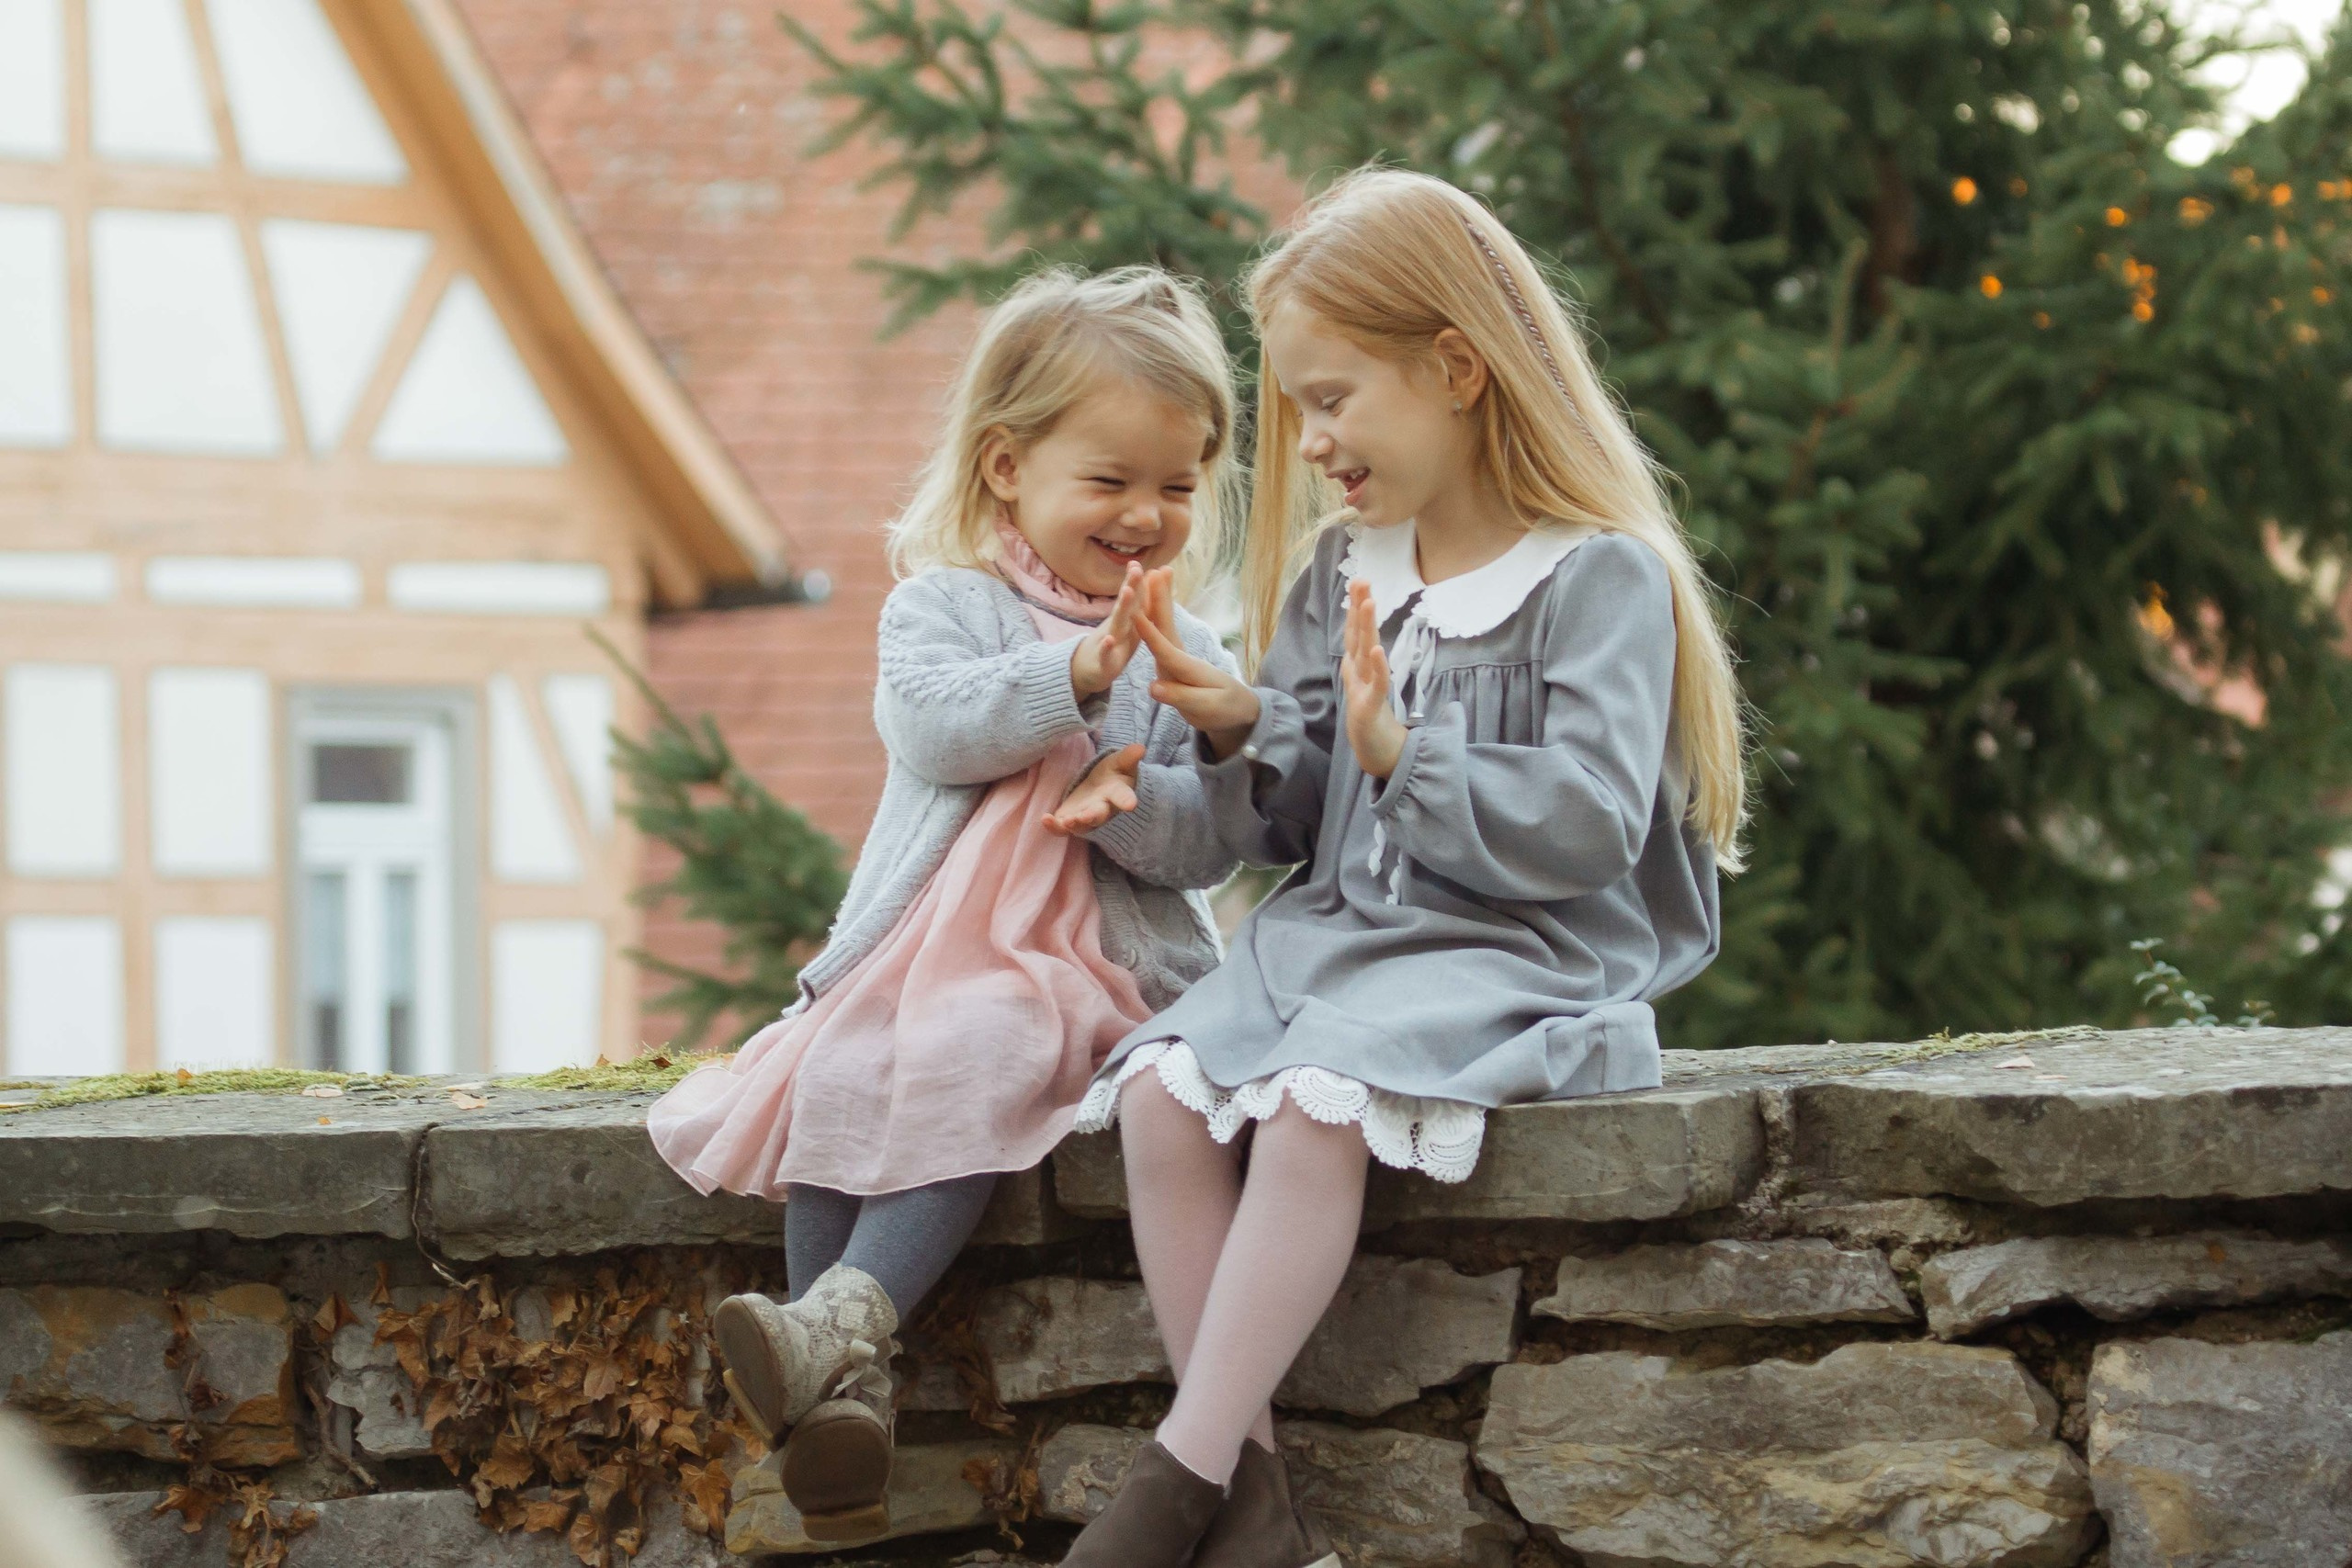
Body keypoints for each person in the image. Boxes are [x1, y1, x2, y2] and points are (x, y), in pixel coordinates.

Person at [1057, 167, 1749, 1568]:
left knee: (1317, 1111)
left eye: (1331, 397)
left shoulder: (1594, 576)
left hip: (1515, 954)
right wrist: (1250, 725)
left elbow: (1591, 822)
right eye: (1298, 406)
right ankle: (1254, 1517)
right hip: (1340, 939)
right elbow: (1290, 826)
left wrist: (1405, 750)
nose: (1308, 440)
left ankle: (1172, 1487)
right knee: (1164, 1100)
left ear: (1455, 368)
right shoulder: (1344, 573)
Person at [647, 266, 1243, 1542]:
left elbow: (1210, 849)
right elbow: (937, 726)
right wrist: (1075, 673)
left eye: (1179, 485)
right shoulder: (941, 607)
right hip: (920, 949)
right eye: (1111, 480)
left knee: (989, 1043)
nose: (1147, 514)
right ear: (1006, 468)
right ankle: (842, 1408)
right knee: (843, 1068)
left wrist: (1134, 797)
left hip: (1088, 969)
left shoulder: (1195, 649)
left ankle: (842, 1327)